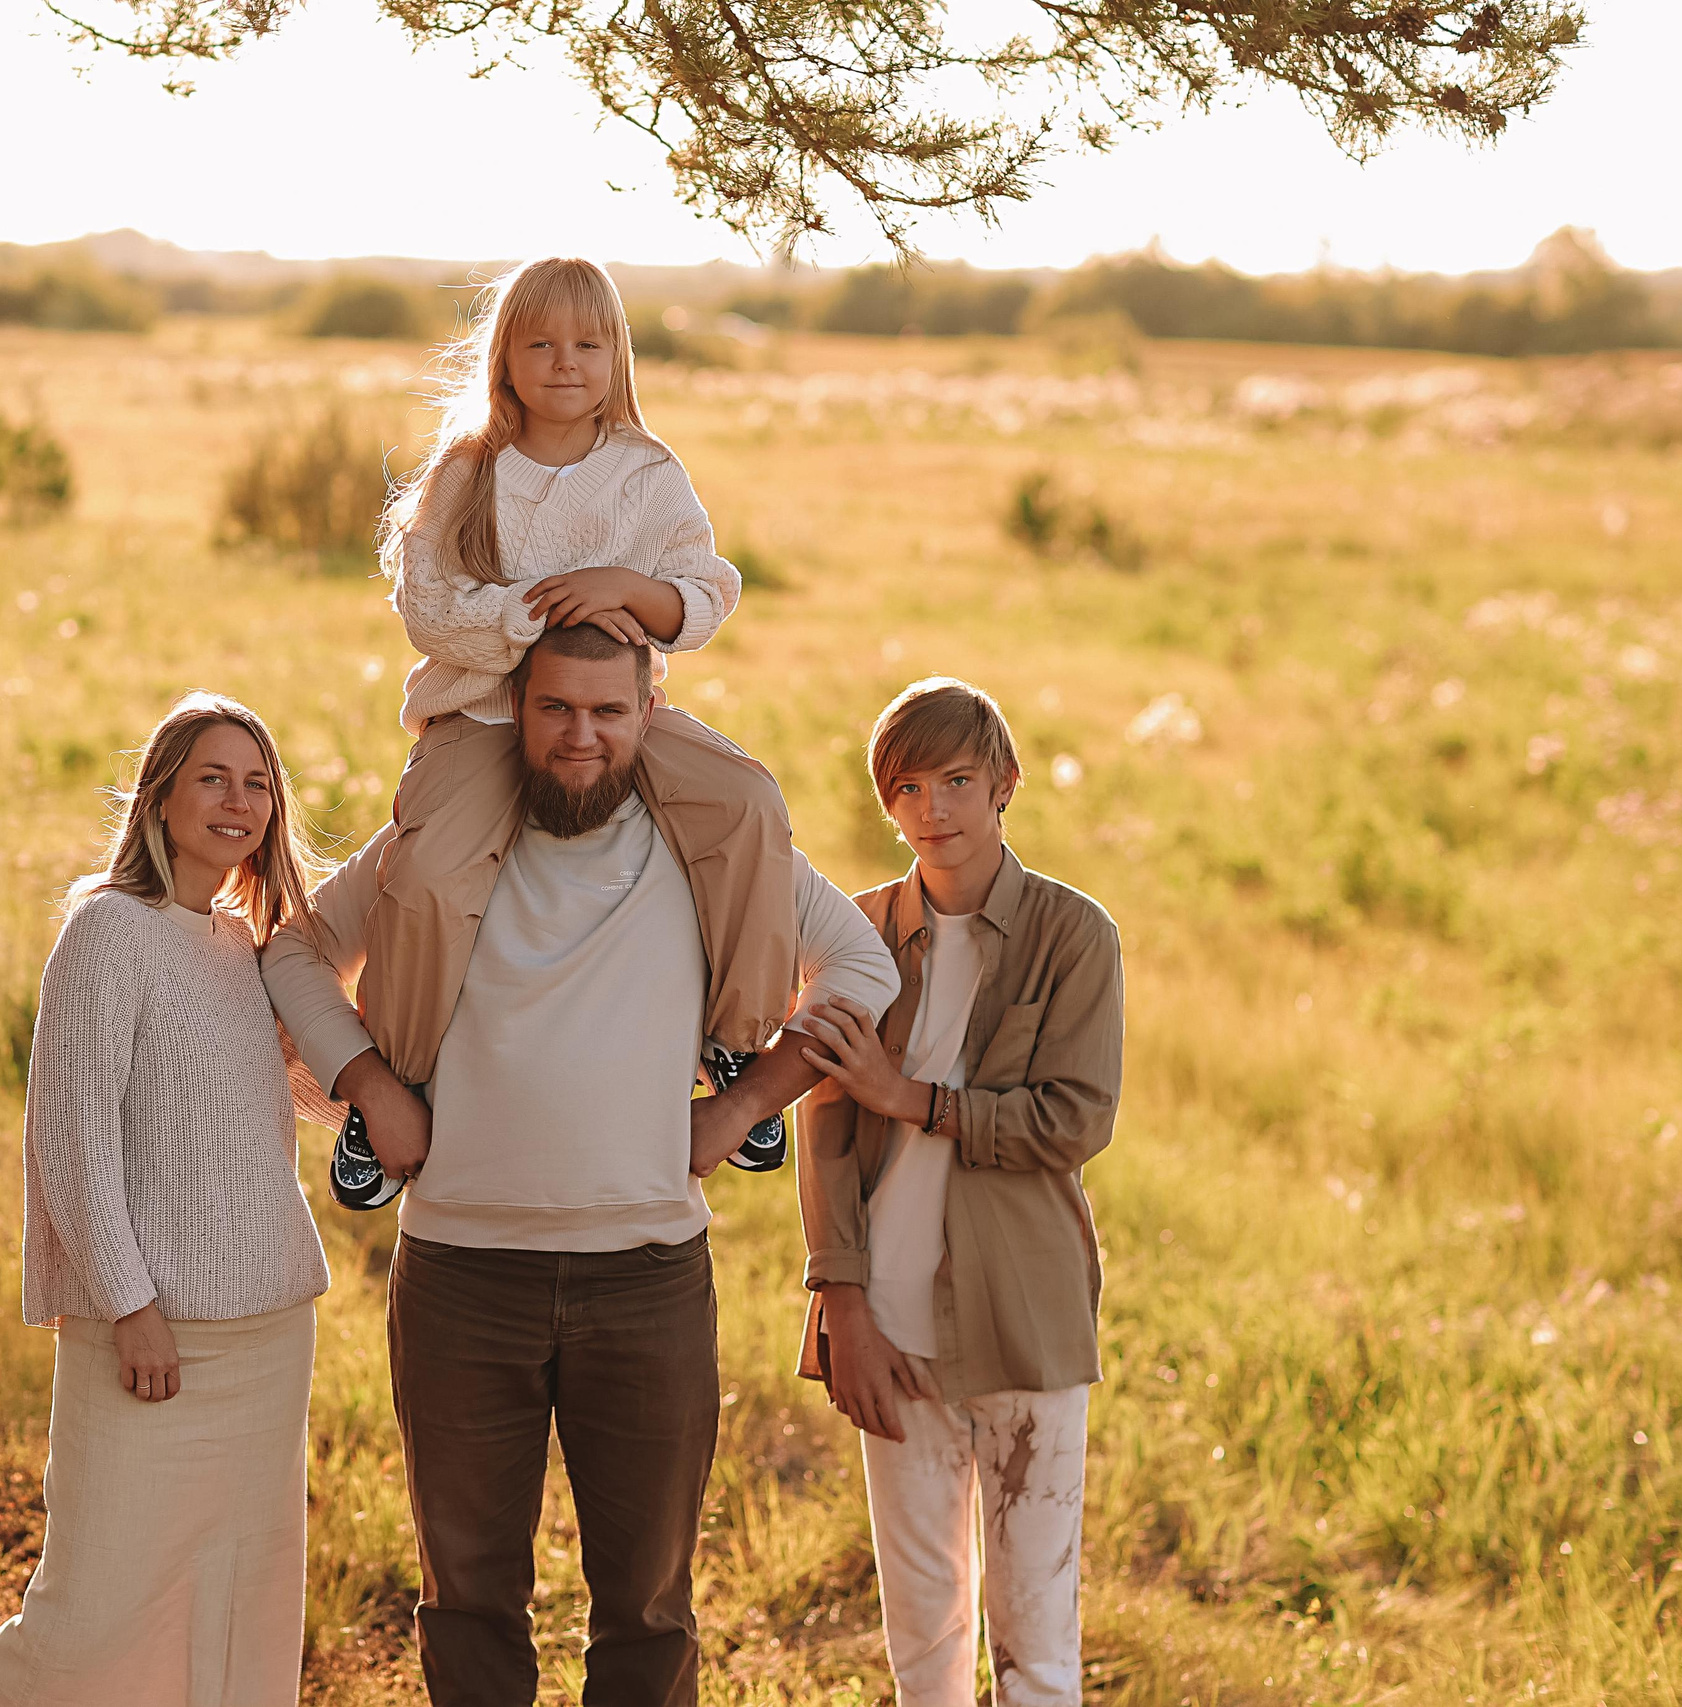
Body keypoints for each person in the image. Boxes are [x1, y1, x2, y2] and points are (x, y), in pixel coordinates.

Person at [263, 623, 901, 1707]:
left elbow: (859, 965)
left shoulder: (711, 847)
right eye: (556, 707)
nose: (581, 736)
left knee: (648, 1611)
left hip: (646, 1277)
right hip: (461, 1275)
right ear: (515, 708)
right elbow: (293, 949)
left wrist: (742, 1105)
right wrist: (368, 1082)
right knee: (467, 1600)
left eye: (608, 711)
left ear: (651, 713)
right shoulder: (443, 839)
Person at [334, 255, 800, 1202]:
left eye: (588, 343)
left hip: (621, 716)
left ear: (616, 354)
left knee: (748, 800)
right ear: (504, 358)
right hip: (483, 711)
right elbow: (428, 607)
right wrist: (540, 611)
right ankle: (399, 1075)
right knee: (425, 876)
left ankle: (736, 1041)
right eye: (540, 343)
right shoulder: (469, 472)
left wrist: (627, 589)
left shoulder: (646, 471)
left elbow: (706, 592)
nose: (565, 362)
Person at [0, 693, 332, 1707]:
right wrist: (130, 1304)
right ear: (160, 797)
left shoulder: (239, 943)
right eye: (213, 778)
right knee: (90, 1617)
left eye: (257, 784)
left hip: (268, 1336)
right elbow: (71, 1140)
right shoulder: (108, 932)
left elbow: (298, 1095)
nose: (238, 801)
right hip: (150, 1338)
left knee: (240, 1607)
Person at [786, 677, 1126, 1707]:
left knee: (1037, 1635)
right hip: (884, 1321)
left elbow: (1075, 1120)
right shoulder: (855, 932)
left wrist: (914, 1099)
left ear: (1005, 782)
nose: (932, 810)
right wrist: (841, 1305)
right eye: (907, 788)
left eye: (957, 782)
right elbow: (824, 1129)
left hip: (1026, 1317)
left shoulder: (1074, 935)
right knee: (922, 1631)